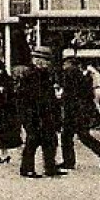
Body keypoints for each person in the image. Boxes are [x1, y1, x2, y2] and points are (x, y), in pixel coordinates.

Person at [58, 50, 100, 170]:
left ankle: (70, 161)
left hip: (74, 111)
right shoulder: (83, 76)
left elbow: (69, 94)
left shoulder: (70, 74)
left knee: (69, 136)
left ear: (68, 63)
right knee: (81, 136)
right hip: (82, 110)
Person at [18, 48, 63, 178]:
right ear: (38, 60)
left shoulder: (45, 75)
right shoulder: (31, 75)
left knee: (50, 141)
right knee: (32, 141)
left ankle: (50, 167)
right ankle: (27, 169)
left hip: (46, 115)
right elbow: (26, 98)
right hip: (34, 115)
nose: (48, 63)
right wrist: (27, 117)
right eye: (46, 60)